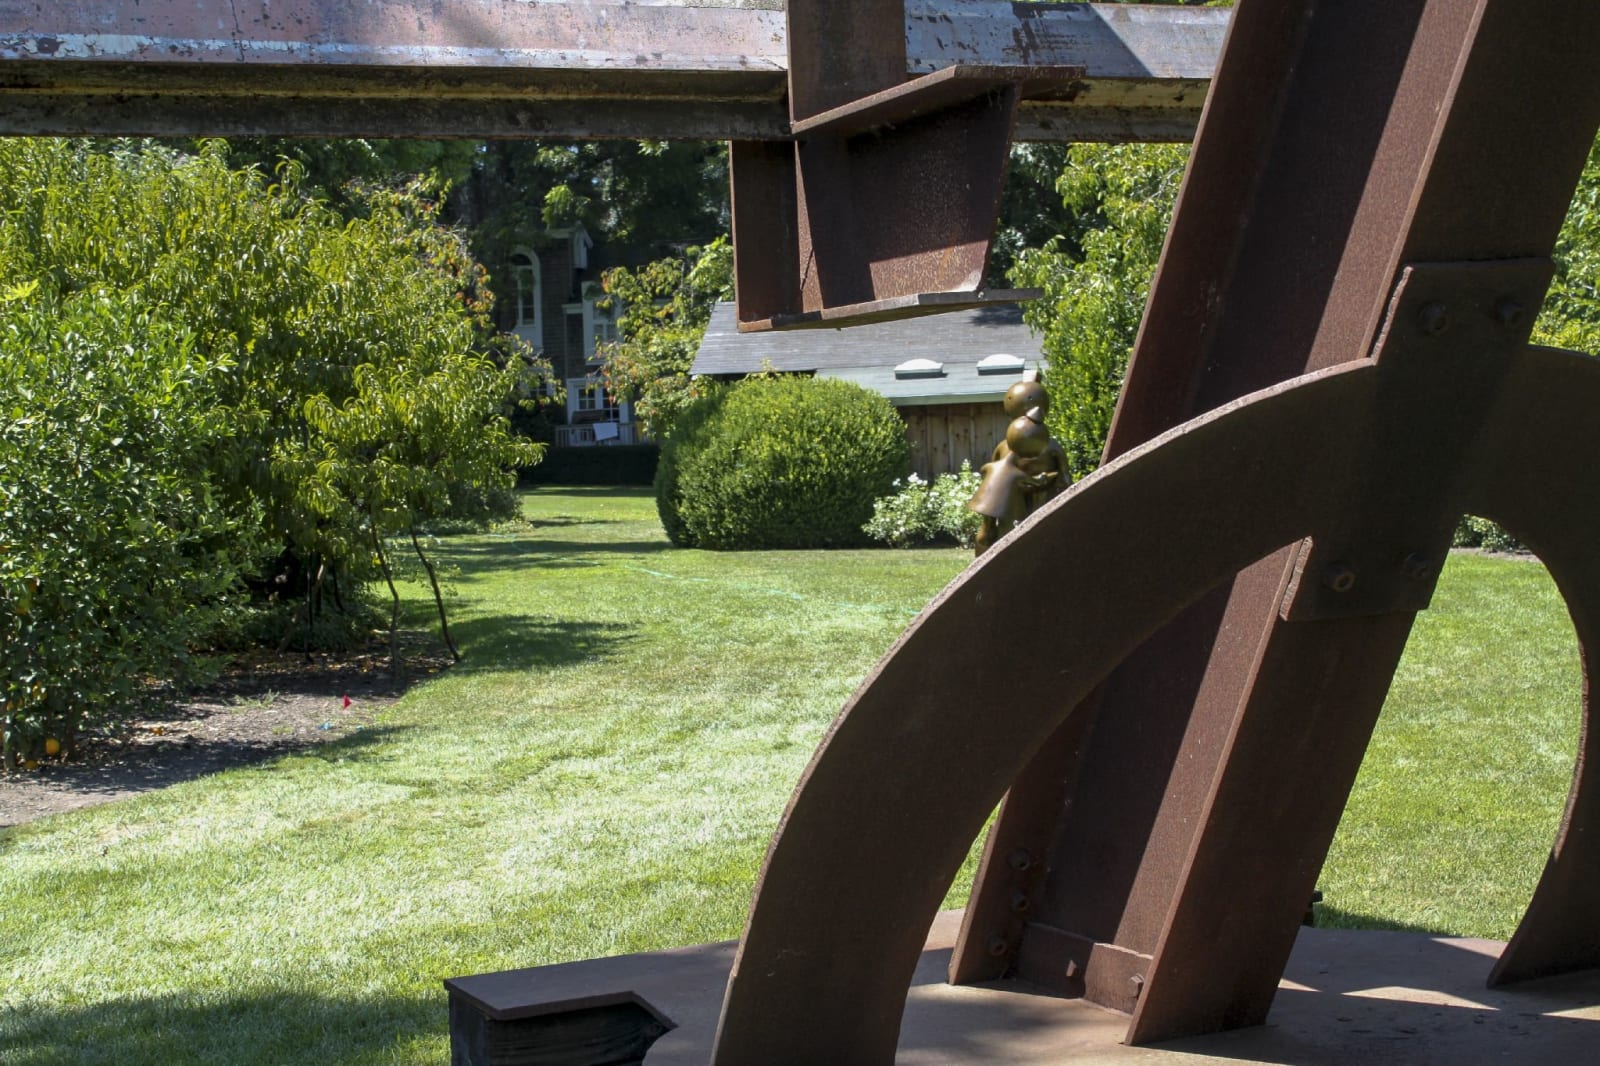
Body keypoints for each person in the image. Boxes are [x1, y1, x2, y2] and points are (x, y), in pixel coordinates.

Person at [967, 416, 1060, 555]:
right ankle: (1001, 556)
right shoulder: (1018, 475)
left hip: (985, 503)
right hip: (1005, 507)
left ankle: (982, 561)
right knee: (1009, 530)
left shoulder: (991, 466)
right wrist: (1048, 476)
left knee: (986, 532)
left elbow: (983, 469)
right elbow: (1037, 481)